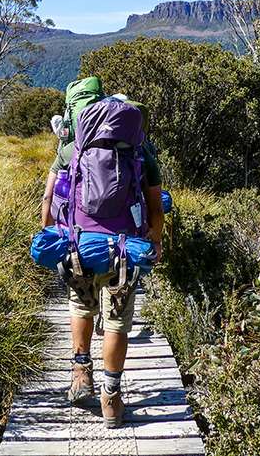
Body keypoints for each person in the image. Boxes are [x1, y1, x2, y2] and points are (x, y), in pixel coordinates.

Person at [40, 98, 164, 428]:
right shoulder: (141, 155)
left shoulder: (72, 150)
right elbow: (155, 207)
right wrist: (156, 242)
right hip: (123, 251)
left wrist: (52, 232)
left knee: (81, 307)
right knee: (117, 322)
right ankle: (111, 397)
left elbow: (50, 197)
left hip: (79, 246)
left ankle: (81, 371)